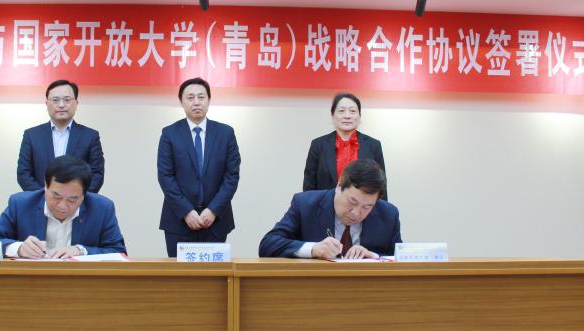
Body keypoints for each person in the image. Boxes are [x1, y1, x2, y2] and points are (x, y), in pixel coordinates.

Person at [157, 77, 241, 257]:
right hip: (178, 221)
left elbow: (231, 176)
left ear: (209, 100)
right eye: (190, 97)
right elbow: (166, 177)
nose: (196, 102)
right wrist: (187, 211)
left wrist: (213, 210)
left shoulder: (226, 133)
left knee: (213, 274)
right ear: (181, 102)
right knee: (181, 274)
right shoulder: (169, 134)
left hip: (216, 221)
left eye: (201, 97)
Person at [0, 155, 126, 258]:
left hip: (80, 286)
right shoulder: (21, 204)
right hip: (30, 283)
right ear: (46, 186)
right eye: (56, 196)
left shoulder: (102, 208)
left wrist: (81, 250)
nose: (62, 205)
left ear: (83, 195)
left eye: (72, 199)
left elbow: (119, 252)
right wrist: (18, 248)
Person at [260, 159, 401, 259]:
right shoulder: (305, 205)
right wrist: (313, 249)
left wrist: (374, 257)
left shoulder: (388, 215)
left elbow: (401, 258)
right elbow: (268, 244)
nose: (356, 213)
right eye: (352, 201)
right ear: (339, 186)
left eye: (367, 207)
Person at [17, 80, 106, 192]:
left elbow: (97, 174)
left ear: (76, 104)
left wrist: (76, 198)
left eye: (67, 100)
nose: (61, 105)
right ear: (46, 104)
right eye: (55, 100)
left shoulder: (90, 136)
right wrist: (45, 198)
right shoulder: (31, 135)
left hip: (78, 202)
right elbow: (23, 173)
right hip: (40, 201)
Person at [303, 92, 387, 199]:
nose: (347, 116)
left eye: (352, 111)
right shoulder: (318, 145)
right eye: (341, 111)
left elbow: (381, 186)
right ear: (333, 115)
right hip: (326, 207)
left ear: (359, 116)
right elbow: (309, 187)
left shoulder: (373, 145)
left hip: (363, 207)